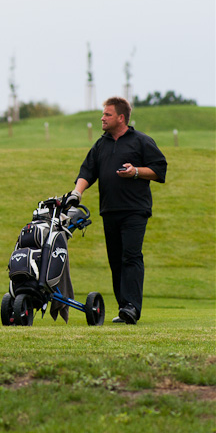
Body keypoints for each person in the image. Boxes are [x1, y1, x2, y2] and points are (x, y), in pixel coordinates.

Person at [63, 96, 167, 325]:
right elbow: (87, 171)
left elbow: (159, 169)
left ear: (121, 118)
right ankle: (124, 308)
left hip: (135, 210)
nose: (102, 118)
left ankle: (132, 307)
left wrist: (136, 172)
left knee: (131, 256)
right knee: (116, 260)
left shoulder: (141, 141)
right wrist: (77, 193)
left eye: (107, 114)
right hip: (109, 211)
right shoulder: (101, 144)